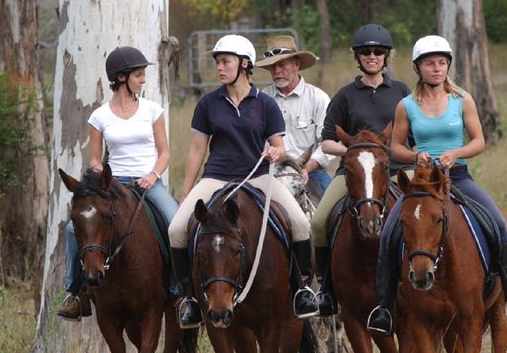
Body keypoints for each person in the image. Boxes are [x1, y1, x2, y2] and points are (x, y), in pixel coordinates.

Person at [366, 35, 507, 335]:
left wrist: (457, 153)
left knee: (498, 223)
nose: (437, 68)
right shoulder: (406, 105)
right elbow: (395, 148)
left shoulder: (462, 99)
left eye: (442, 63)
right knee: (389, 232)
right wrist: (417, 155)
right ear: (418, 68)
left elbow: (479, 141)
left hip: (458, 177)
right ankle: (385, 307)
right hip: (422, 182)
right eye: (430, 64)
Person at [167, 34, 321, 328]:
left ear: (245, 64)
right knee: (176, 230)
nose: (220, 68)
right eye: (218, 63)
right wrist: (186, 192)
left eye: (225, 62)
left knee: (301, 224)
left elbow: (280, 146)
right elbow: (198, 149)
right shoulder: (208, 104)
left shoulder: (265, 105)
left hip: (259, 176)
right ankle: (189, 299)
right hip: (216, 176)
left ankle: (302, 290)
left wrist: (276, 151)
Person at [58, 45, 179, 321]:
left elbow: (165, 153)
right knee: (69, 230)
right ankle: (75, 293)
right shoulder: (99, 116)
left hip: (148, 183)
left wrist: (153, 175)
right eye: (138, 74)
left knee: (175, 224)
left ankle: (179, 289)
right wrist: (102, 179)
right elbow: (95, 160)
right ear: (122, 77)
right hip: (113, 185)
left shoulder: (152, 110)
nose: (143, 79)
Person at [310, 23, 411, 314]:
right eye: (365, 52)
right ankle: (327, 290)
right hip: (353, 173)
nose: (372, 56)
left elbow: (411, 135)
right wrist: (359, 154)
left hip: (397, 169)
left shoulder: (402, 91)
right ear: (357, 57)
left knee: (426, 214)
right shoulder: (344, 96)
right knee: (318, 223)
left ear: (386, 56)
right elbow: (327, 142)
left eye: (378, 52)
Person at [255, 34, 333, 195]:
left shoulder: (318, 98)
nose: (277, 71)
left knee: (332, 212)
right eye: (272, 67)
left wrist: (307, 167)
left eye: (282, 65)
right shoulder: (262, 99)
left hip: (311, 172)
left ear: (296, 64)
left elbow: (327, 144)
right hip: (270, 172)